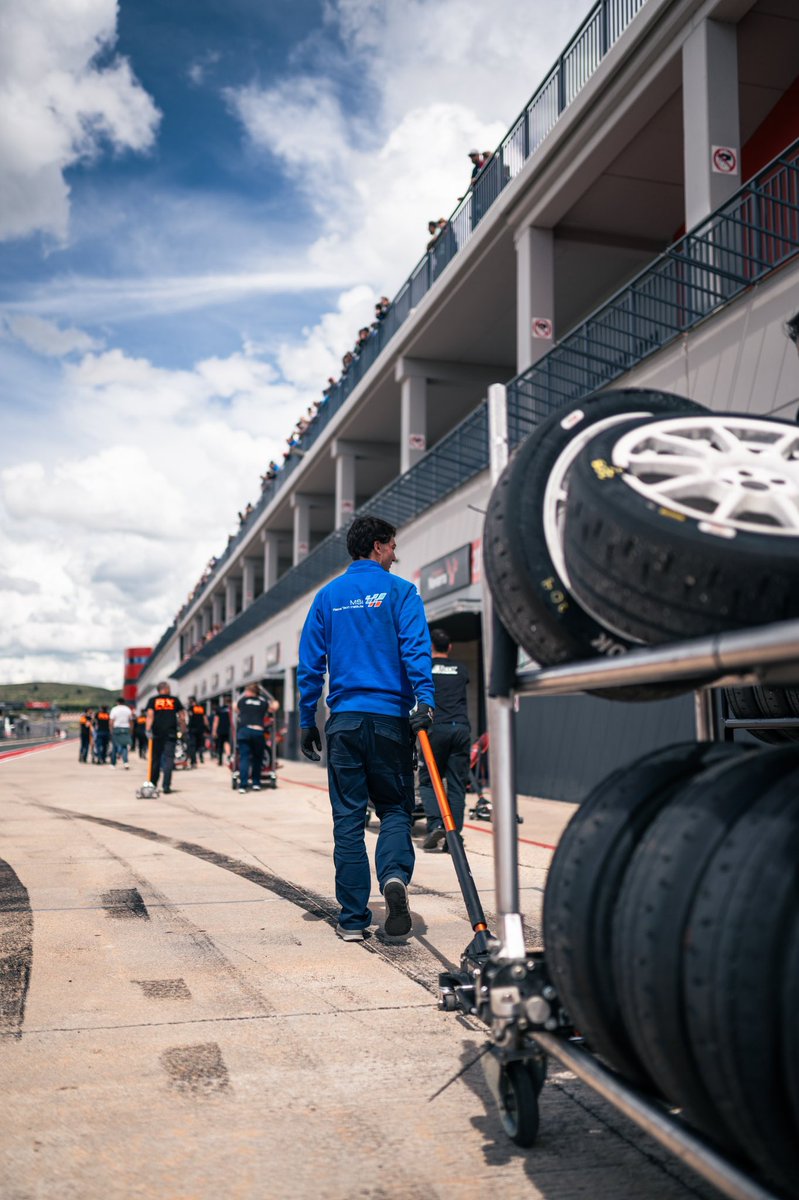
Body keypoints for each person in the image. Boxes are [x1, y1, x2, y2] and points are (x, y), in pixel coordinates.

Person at [298, 514, 434, 943]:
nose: (395, 554)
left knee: (348, 820)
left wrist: (307, 719)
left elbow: (310, 664)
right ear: (377, 546)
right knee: (395, 809)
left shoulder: (328, 596)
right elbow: (415, 650)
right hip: (390, 720)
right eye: (392, 546)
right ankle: (393, 876)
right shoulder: (401, 592)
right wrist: (425, 699)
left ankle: (353, 919)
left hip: (344, 722)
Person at [418, 628, 472, 851]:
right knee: (457, 784)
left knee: (429, 780)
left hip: (436, 728)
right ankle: (454, 835)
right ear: (449, 647)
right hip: (461, 728)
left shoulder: (426, 668)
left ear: (430, 646)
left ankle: (436, 825)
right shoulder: (461, 669)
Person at [235, 683, 279, 793]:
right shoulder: (263, 702)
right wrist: (274, 701)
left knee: (244, 758)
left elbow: (235, 707)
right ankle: (256, 783)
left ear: (250, 692)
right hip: (257, 732)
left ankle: (243, 785)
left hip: (244, 731)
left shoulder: (242, 701)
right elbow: (274, 707)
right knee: (257, 758)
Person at [144, 682, 185, 794]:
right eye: (169, 688)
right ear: (165, 689)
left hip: (156, 734)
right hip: (170, 733)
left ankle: (152, 784)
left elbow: (150, 715)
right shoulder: (174, 700)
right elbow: (182, 716)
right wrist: (183, 730)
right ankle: (166, 785)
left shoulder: (153, 700)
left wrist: (148, 729)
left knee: (155, 760)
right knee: (169, 760)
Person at [108, 696, 133, 769]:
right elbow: (131, 720)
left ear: (117, 702)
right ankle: (126, 762)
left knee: (115, 747)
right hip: (126, 728)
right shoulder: (128, 709)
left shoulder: (114, 709)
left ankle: (113, 764)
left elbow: (111, 721)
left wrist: (111, 730)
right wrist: (131, 730)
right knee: (124, 746)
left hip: (117, 728)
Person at [186, 696, 208, 767]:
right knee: (200, 745)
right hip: (200, 729)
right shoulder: (201, 708)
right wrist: (207, 728)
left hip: (192, 729)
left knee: (192, 745)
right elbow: (205, 719)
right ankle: (201, 757)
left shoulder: (191, 708)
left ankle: (193, 761)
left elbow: (187, 718)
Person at [212, 697, 232, 765]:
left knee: (220, 745)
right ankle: (228, 756)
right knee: (227, 743)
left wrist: (214, 731)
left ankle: (220, 761)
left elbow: (216, 721)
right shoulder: (230, 709)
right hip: (229, 729)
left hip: (220, 730)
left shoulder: (219, 709)